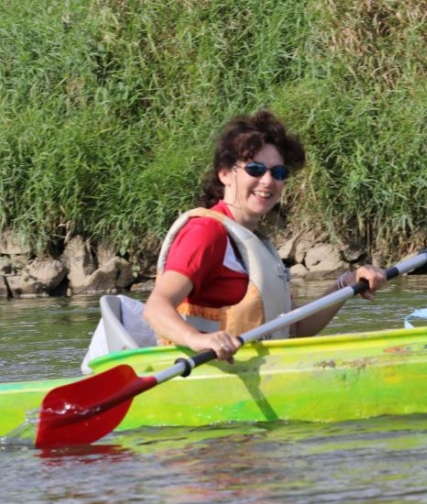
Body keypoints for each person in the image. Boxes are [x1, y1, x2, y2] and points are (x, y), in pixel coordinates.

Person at [143, 110, 386, 361]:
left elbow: (297, 328)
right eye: (255, 169)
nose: (268, 181)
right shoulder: (206, 232)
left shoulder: (258, 244)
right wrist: (198, 339)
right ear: (225, 173)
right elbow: (156, 307)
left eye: (278, 173)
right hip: (209, 372)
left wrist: (346, 284)